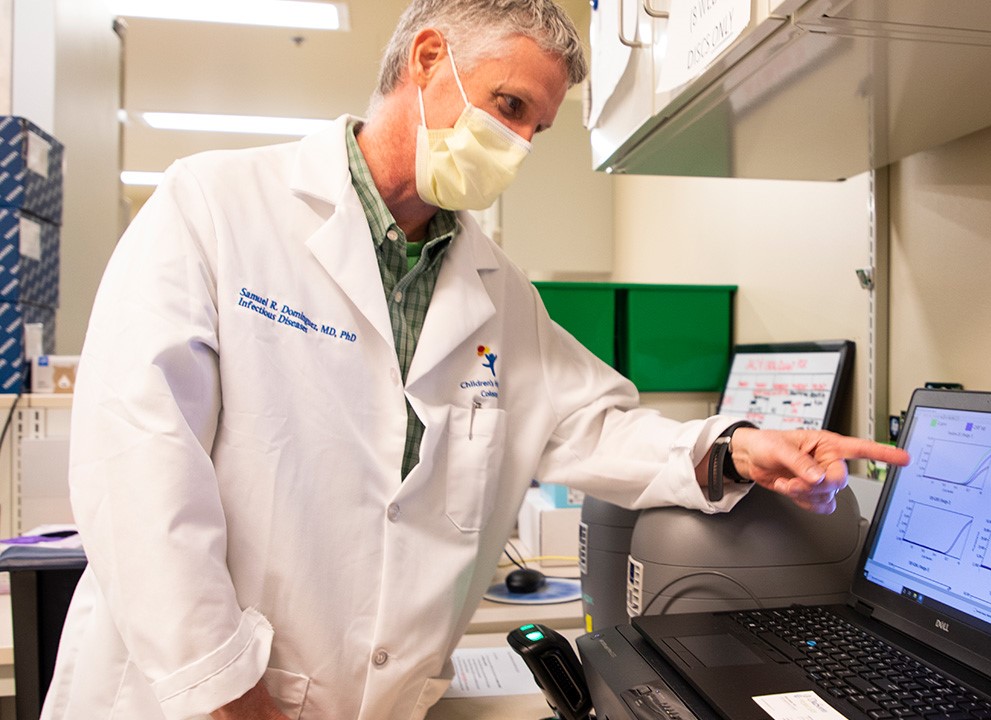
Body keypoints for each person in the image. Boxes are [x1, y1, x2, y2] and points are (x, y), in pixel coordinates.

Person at [41, 1, 910, 718]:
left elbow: (591, 422)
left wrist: (736, 444)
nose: (522, 142)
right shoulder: (216, 208)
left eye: (538, 124)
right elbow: (139, 462)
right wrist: (225, 690)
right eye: (509, 106)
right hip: (190, 696)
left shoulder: (495, 291)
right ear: (427, 60)